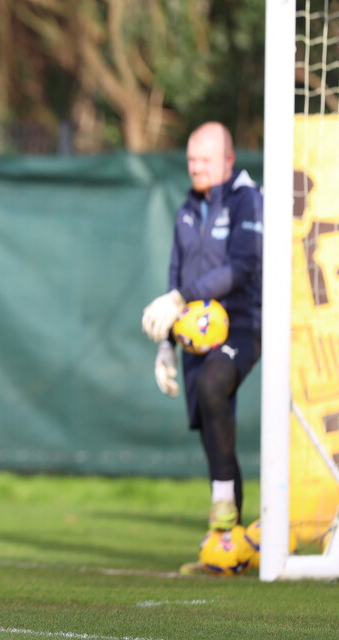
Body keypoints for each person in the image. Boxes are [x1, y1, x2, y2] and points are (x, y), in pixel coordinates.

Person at [141, 121, 263, 574]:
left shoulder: (247, 200)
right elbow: (176, 276)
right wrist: (166, 345)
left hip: (243, 325)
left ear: (229, 160)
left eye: (205, 159)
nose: (195, 167)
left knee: (214, 387)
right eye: (191, 159)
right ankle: (228, 544)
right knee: (212, 425)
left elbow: (242, 267)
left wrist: (180, 298)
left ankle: (225, 511)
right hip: (194, 336)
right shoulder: (187, 210)